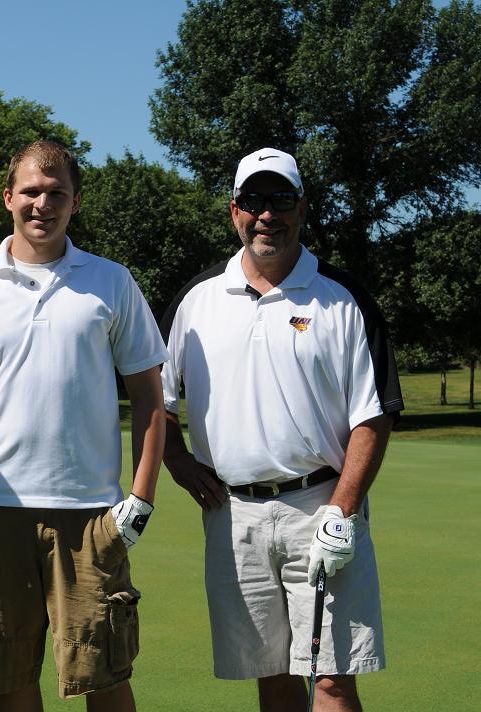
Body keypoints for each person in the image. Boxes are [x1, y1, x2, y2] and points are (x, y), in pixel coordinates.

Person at [0, 140, 168, 711]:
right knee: (10, 680)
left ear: (75, 202)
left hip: (90, 515)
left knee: (105, 676)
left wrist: (141, 499)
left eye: (56, 194)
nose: (42, 204)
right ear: (9, 198)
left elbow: (150, 400)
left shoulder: (111, 282)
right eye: (31, 192)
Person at [160, 147, 404, 711]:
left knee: (332, 678)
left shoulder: (343, 299)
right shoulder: (196, 301)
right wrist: (177, 462)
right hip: (233, 518)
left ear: (303, 207)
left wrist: (340, 513)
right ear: (234, 211)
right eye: (254, 200)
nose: (267, 214)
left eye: (281, 199)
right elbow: (159, 401)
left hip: (320, 507)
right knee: (271, 676)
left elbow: (373, 415)